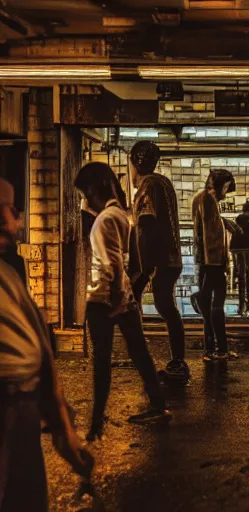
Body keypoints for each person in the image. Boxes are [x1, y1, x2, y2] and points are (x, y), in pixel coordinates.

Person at [0, 178, 92, 511]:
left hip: (22, 405)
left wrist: (61, 426)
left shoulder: (11, 271)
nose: (14, 221)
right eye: (9, 212)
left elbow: (40, 348)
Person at [74, 162, 169, 441]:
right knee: (139, 353)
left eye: (86, 192)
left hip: (103, 297)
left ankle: (95, 425)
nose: (85, 198)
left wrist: (114, 296)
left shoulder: (105, 219)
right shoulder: (119, 214)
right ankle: (158, 405)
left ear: (97, 188)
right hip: (122, 296)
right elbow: (126, 260)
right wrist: (125, 296)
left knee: (102, 362)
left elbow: (112, 262)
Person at [130, 141, 189, 383]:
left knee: (163, 307)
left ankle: (177, 362)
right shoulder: (163, 183)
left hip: (159, 260)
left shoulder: (148, 185)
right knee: (166, 307)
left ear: (136, 163)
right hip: (171, 258)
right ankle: (175, 361)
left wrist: (146, 268)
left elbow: (147, 225)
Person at [192, 169, 237, 362]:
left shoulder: (202, 198)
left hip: (208, 262)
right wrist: (220, 263)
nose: (225, 194)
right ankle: (219, 349)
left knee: (211, 306)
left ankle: (214, 348)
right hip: (212, 262)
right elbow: (210, 234)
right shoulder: (208, 200)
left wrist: (225, 222)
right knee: (216, 305)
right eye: (226, 188)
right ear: (222, 185)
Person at [230, 200, 249, 316]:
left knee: (241, 276)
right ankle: (248, 305)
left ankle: (241, 306)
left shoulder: (238, 218)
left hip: (237, 249)